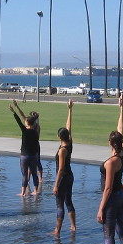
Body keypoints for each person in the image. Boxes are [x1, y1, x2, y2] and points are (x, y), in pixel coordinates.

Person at [93, 95, 123, 244]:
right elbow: (120, 129)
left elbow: (107, 188)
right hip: (122, 197)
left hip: (112, 198)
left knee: (108, 234)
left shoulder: (110, 163)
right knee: (121, 229)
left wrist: (100, 209)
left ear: (110, 143)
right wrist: (121, 108)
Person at [52, 99, 76, 235]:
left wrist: (56, 185)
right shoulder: (69, 143)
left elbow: (60, 169)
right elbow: (69, 127)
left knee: (60, 204)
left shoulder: (62, 150)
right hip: (70, 176)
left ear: (59, 136)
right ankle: (73, 226)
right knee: (69, 201)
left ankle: (57, 230)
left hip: (63, 178)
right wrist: (70, 109)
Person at [10, 100, 40, 196]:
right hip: (34, 155)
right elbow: (24, 119)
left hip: (25, 155)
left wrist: (14, 112)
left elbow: (19, 120)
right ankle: (36, 191)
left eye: (26, 121)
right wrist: (17, 107)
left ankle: (23, 193)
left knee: (24, 174)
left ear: (27, 123)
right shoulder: (36, 130)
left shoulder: (25, 131)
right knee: (34, 173)